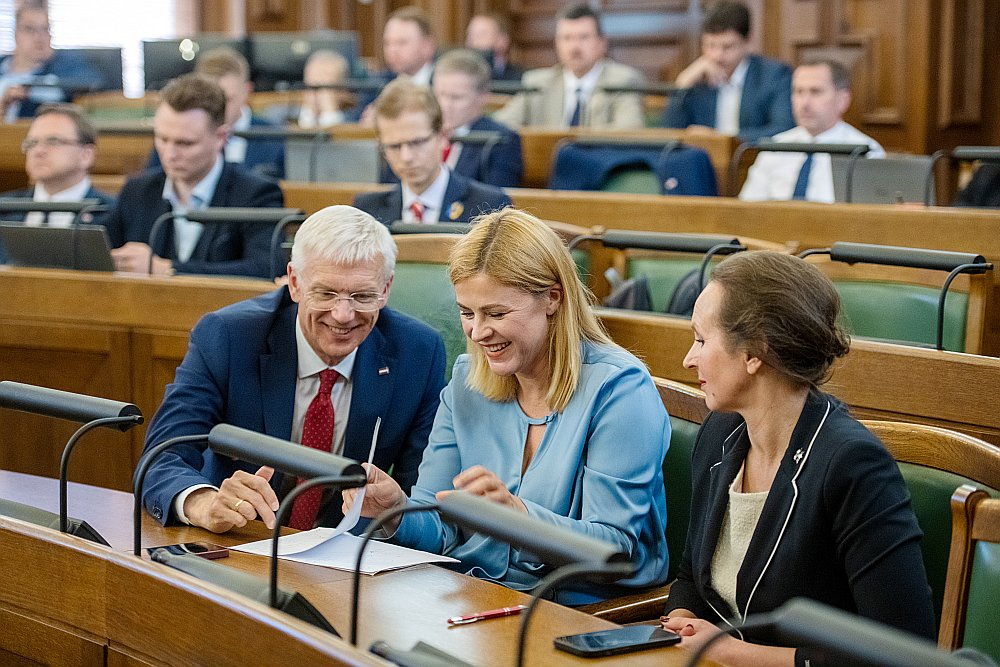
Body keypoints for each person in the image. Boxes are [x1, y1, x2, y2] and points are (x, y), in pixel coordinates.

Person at [344, 208, 670, 604]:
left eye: (496, 313)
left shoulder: (619, 388)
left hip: (581, 611)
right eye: (467, 313)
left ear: (553, 297)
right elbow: (442, 525)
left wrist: (517, 516)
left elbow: (615, 551)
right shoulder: (467, 381)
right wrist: (397, 511)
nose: (478, 332)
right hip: (475, 596)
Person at [661, 250, 936, 665]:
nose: (688, 358)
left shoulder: (852, 464)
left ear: (755, 352)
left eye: (701, 339)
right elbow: (692, 578)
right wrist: (681, 625)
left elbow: (903, 653)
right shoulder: (720, 432)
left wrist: (731, 652)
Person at [139, 205, 446, 533]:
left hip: (347, 557)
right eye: (326, 293)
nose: (343, 314)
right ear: (295, 283)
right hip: (239, 539)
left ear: (385, 290)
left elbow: (420, 496)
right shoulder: (230, 337)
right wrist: (204, 503)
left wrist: (396, 509)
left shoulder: (419, 352)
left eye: (362, 295)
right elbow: (161, 455)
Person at [102, 74, 283, 278]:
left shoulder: (257, 193)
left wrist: (169, 269)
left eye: (185, 143)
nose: (170, 154)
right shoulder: (136, 190)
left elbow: (265, 268)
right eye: (162, 139)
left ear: (221, 137)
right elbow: (101, 255)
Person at [354, 79, 511, 225]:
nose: (406, 157)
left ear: (443, 136)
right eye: (394, 146)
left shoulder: (490, 207)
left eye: (417, 142)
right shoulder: (367, 212)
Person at [739, 59, 885, 203]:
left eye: (815, 92)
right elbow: (749, 208)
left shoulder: (866, 151)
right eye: (798, 92)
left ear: (843, 99)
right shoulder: (775, 146)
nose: (804, 103)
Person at [381, 49, 522, 188]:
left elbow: (495, 202)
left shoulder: (501, 140)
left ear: (483, 97)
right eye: (440, 94)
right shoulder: (414, 132)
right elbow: (389, 191)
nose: (445, 105)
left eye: (456, 97)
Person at [493, 4, 646, 130]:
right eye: (567, 38)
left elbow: (630, 127)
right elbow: (501, 125)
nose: (574, 47)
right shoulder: (538, 83)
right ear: (556, 43)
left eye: (583, 37)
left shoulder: (622, 80)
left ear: (602, 43)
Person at [662, 1, 794, 141]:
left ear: (748, 42)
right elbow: (670, 134)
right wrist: (682, 84)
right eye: (710, 46)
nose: (717, 56)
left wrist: (721, 139)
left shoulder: (774, 75)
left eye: (727, 47)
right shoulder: (698, 80)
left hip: (753, 160)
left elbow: (783, 129)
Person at [148, 47, 284, 179]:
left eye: (226, 100)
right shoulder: (175, 136)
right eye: (206, 101)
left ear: (246, 92)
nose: (217, 108)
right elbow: (156, 184)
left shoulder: (274, 136)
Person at [2, 104, 115, 227]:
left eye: (53, 141)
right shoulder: (5, 208)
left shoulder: (113, 213)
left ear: (86, 155)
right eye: (32, 142)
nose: (38, 151)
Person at [0, 3, 102, 122]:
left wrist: (29, 89)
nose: (39, 37)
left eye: (45, 29)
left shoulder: (65, 66)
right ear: (15, 34)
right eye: (30, 29)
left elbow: (92, 84)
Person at [297, 49, 350, 129]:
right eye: (312, 85)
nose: (318, 94)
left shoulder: (357, 119)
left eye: (325, 87)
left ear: (343, 91)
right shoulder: (281, 117)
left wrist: (329, 112)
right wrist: (308, 114)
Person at [465, 13, 523, 82]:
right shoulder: (460, 77)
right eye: (470, 35)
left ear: (502, 40)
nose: (472, 41)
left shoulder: (521, 78)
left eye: (481, 35)